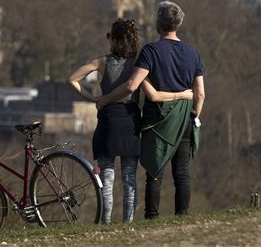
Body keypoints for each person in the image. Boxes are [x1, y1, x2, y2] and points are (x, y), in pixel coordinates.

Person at [69, 18, 192, 224]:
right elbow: (153, 95)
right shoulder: (138, 65)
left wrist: (95, 99)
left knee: (107, 180)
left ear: (113, 39)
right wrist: (182, 95)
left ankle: (106, 224)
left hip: (108, 121)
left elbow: (71, 79)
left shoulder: (102, 62)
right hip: (131, 122)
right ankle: (128, 223)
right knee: (129, 178)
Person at [95, 1, 205, 218]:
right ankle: (182, 217)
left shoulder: (151, 51)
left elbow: (131, 86)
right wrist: (195, 115)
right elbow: (200, 93)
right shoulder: (193, 53)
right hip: (184, 118)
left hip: (157, 120)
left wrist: (105, 98)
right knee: (182, 174)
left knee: (155, 173)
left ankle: (152, 217)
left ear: (158, 23)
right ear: (179, 23)